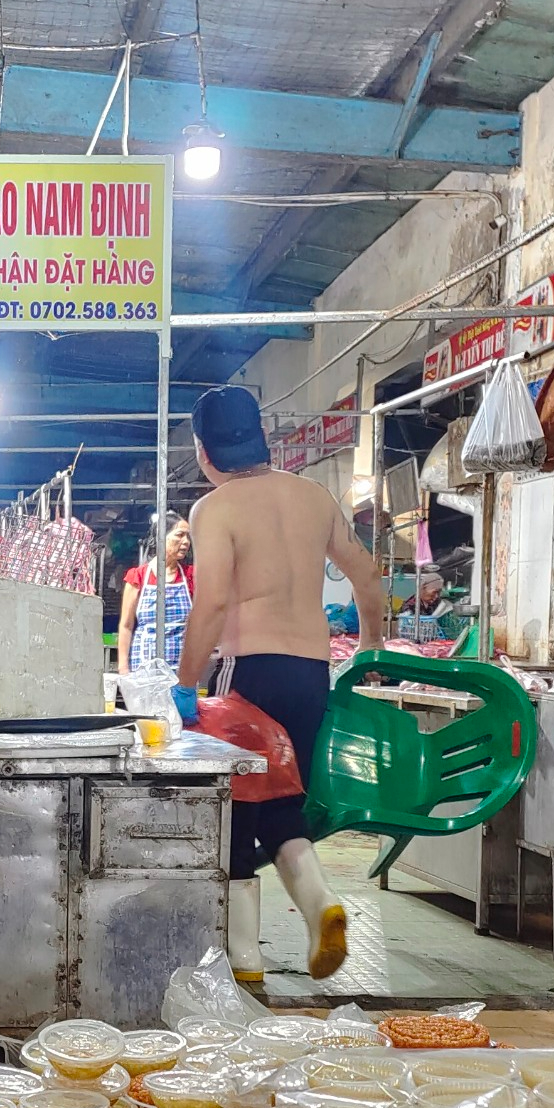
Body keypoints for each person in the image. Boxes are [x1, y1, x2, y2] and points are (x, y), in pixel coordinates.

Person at [171, 386, 387, 988]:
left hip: (250, 674)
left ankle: (244, 963)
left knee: (236, 809)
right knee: (283, 799)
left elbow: (212, 602)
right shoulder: (314, 497)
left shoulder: (215, 510)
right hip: (310, 674)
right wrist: (369, 645)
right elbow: (367, 574)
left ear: (205, 450)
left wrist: (187, 682)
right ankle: (320, 906)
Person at [116, 516, 194, 674]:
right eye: (180, 535)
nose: (186, 542)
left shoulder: (191, 576)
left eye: (188, 537)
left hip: (182, 669)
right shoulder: (138, 576)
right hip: (145, 664)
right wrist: (123, 668)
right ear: (161, 537)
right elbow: (126, 625)